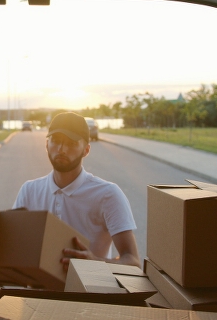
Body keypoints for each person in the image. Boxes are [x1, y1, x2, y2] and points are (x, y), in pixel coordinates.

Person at [12, 112, 141, 271]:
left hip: (86, 293)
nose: (61, 149)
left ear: (86, 150)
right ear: (46, 145)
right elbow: (13, 245)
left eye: (71, 143)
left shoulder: (108, 194)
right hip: (38, 292)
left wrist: (95, 262)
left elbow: (133, 261)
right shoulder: (29, 191)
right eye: (56, 141)